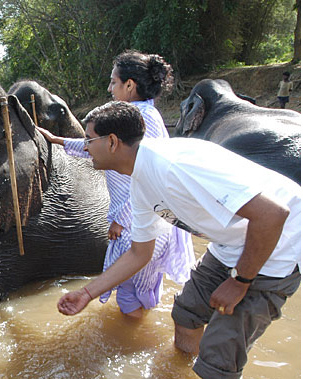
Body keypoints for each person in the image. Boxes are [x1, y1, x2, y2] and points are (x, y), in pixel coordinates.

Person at [57, 101, 301, 379]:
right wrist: (87, 293)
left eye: (89, 140)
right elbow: (139, 254)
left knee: (220, 354)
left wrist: (240, 281)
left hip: (277, 248)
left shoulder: (175, 167)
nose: (85, 148)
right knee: (186, 314)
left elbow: (273, 214)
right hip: (231, 244)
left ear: (111, 142)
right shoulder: (142, 182)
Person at [38, 50, 195, 319]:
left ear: (130, 85)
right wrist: (58, 141)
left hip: (141, 220)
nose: (110, 88)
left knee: (129, 292)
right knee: (139, 287)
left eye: (114, 82)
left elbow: (148, 178)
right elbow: (96, 146)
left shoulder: (138, 119)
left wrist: (120, 220)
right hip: (151, 218)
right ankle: (138, 335)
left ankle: (131, 344)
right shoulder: (144, 115)